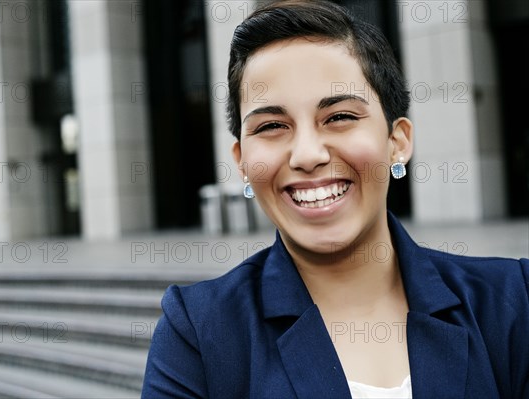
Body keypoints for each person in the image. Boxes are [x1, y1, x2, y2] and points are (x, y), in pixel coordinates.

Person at [142, 1, 529, 398]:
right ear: (242, 162)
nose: (308, 155)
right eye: (273, 125)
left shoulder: (512, 301)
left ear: (398, 142)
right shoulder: (201, 333)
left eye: (340, 117)